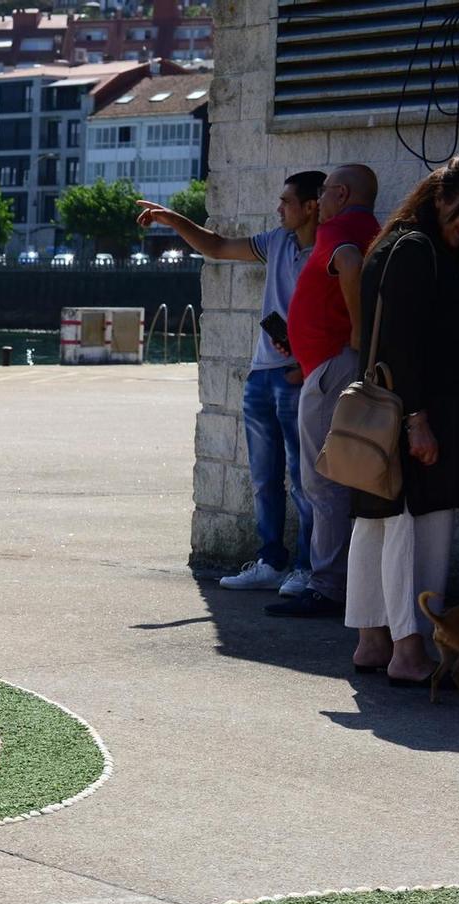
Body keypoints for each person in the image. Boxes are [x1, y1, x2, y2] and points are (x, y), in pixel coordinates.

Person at [343, 156, 459, 685]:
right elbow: (398, 343)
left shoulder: (401, 245)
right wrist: (418, 420)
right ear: (440, 195)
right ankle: (407, 652)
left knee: (380, 527)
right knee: (411, 529)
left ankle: (373, 641)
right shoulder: (415, 250)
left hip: (396, 417)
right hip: (411, 420)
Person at [140, 173, 322, 595]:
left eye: (287, 202)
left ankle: (308, 567)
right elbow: (217, 246)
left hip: (301, 375)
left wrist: (306, 362)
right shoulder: (276, 241)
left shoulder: (330, 250)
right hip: (261, 374)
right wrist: (174, 220)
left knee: (304, 477)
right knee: (263, 476)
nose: (279, 209)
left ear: (312, 206)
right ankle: (270, 561)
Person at [272, 162, 381, 619]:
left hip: (334, 365)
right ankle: (336, 581)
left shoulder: (341, 228)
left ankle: (327, 585)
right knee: (334, 476)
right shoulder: (369, 225)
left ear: (338, 192)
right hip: (328, 364)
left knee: (322, 477)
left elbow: (350, 264)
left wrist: (355, 335)